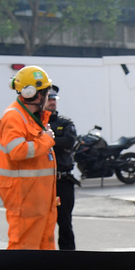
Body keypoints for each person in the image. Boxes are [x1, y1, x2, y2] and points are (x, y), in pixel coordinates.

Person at [0, 65, 57, 250]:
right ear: (36, 95)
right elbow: (18, 151)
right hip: (24, 197)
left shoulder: (32, 117)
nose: (48, 97)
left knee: (44, 249)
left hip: (38, 198)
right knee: (23, 250)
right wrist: (46, 139)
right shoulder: (14, 117)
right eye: (46, 92)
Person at [44, 85, 79, 250]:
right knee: (43, 224)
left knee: (65, 223)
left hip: (62, 180)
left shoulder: (65, 122)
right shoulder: (35, 123)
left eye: (54, 99)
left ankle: (68, 258)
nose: (52, 102)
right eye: (49, 99)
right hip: (43, 182)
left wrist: (46, 140)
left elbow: (69, 141)